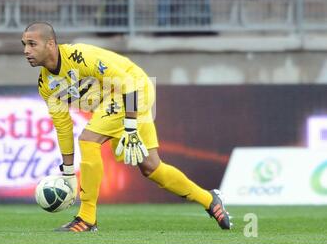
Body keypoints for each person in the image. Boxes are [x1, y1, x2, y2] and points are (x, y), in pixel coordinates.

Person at [22, 22, 231, 232]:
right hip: (114, 103)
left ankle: (87, 218)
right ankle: (210, 200)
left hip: (134, 90)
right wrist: (68, 174)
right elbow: (63, 126)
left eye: (32, 44)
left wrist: (130, 128)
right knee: (152, 167)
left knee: (88, 139)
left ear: (50, 44)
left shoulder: (79, 56)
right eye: (24, 45)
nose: (26, 51)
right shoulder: (45, 85)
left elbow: (128, 84)